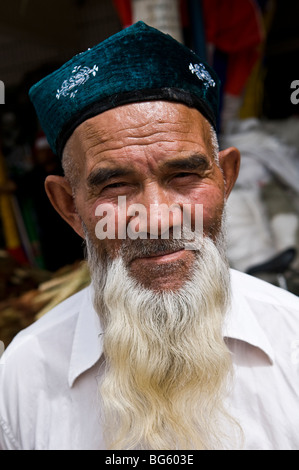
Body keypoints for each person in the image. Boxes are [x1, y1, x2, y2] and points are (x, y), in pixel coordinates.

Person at [0, 22, 298, 451]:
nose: (156, 218)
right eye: (115, 186)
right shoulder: (23, 374)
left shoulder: (293, 342)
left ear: (227, 179)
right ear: (69, 206)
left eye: (183, 174)